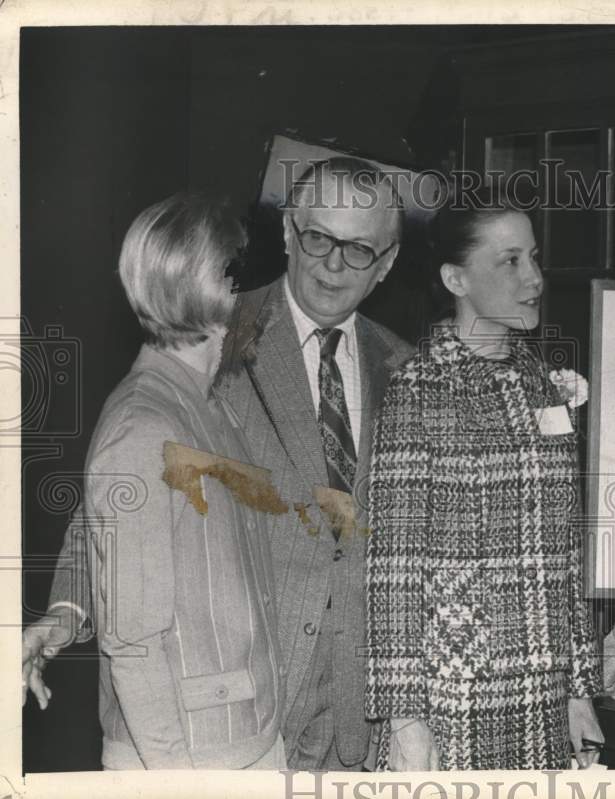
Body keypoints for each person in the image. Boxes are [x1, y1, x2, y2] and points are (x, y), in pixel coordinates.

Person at [25, 157, 414, 771]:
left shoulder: (407, 370)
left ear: (389, 261)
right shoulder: (211, 330)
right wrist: (65, 613)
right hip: (235, 722)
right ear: (287, 234)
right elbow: (111, 506)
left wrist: (407, 711)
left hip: (359, 723)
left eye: (359, 249)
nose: (333, 264)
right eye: (318, 238)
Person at [365, 200, 604, 771]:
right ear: (456, 279)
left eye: (535, 258)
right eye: (511, 262)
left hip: (544, 698)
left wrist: (580, 687)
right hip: (453, 699)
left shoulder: (542, 385)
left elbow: (565, 550)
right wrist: (404, 719)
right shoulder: (418, 390)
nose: (535, 279)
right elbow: (393, 568)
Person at [67, 193, 284, 768]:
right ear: (218, 294)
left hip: (244, 736)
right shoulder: (145, 426)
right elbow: (132, 643)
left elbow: (93, 529)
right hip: (190, 756)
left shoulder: (210, 406)